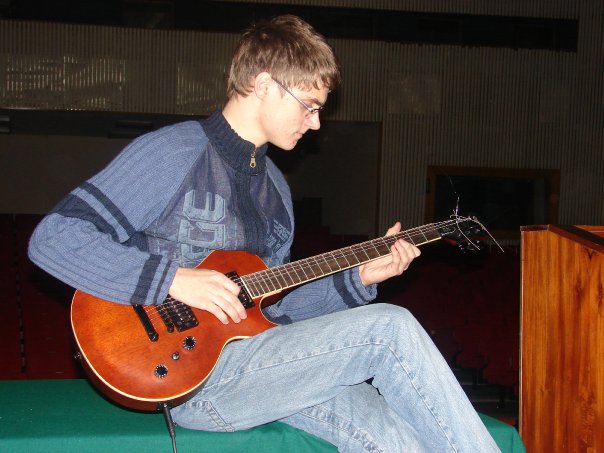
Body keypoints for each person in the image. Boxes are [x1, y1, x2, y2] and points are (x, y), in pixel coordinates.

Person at [28, 14, 499, 452]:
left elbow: (277, 315)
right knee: (390, 328)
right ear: (264, 84)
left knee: (400, 442)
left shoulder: (276, 190)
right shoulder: (172, 154)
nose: (316, 122)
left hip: (262, 369)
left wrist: (358, 281)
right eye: (309, 106)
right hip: (190, 381)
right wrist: (173, 279)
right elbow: (53, 238)